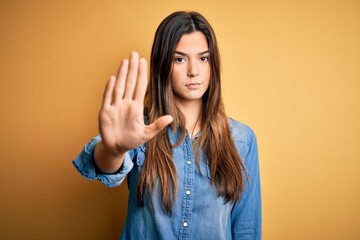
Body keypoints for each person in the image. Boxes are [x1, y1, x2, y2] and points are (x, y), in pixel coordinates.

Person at [73, 11, 261, 240]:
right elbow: (104, 166)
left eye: (203, 58)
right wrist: (113, 150)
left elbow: (246, 230)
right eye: (179, 59)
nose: (194, 71)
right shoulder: (139, 129)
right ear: (163, 65)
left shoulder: (242, 139)